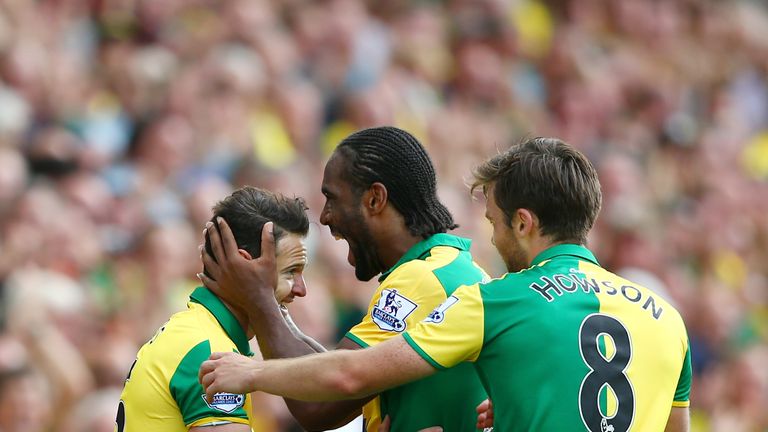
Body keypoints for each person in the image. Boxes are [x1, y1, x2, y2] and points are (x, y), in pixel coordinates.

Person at [199, 137, 692, 432]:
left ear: (524, 223)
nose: (492, 239)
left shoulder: (496, 302)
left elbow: (347, 379)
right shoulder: (667, 320)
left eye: (496, 222)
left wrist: (251, 373)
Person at [199, 126, 489, 431]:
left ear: (375, 199)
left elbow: (318, 404)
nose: (324, 217)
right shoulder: (448, 267)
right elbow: (339, 368)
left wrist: (259, 300)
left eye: (332, 198)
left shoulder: (424, 280)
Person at [116, 186, 311, 431]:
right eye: (291, 272)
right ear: (246, 268)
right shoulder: (208, 350)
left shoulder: (196, 332)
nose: (301, 289)